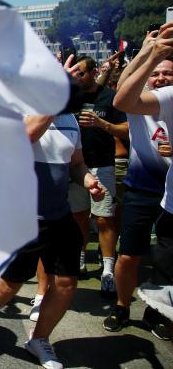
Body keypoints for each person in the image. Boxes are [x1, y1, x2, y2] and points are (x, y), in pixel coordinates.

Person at [0, 114, 104, 368]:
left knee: (66, 283)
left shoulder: (71, 120)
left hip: (60, 215)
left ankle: (39, 339)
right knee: (9, 285)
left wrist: (89, 181)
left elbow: (76, 163)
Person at [113, 25, 173, 340]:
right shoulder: (140, 103)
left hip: (170, 194)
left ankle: (157, 312)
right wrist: (145, 55)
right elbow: (123, 91)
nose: (161, 78)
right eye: (157, 74)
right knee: (130, 254)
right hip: (141, 189)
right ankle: (122, 306)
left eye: (168, 73)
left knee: (165, 263)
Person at [69, 56, 128, 294]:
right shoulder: (71, 99)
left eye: (81, 73)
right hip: (76, 166)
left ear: (93, 72)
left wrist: (102, 124)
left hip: (103, 164)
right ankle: (81, 259)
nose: (76, 77)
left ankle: (107, 269)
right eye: (74, 73)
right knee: (79, 217)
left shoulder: (110, 98)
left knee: (104, 218)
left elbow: (127, 129)